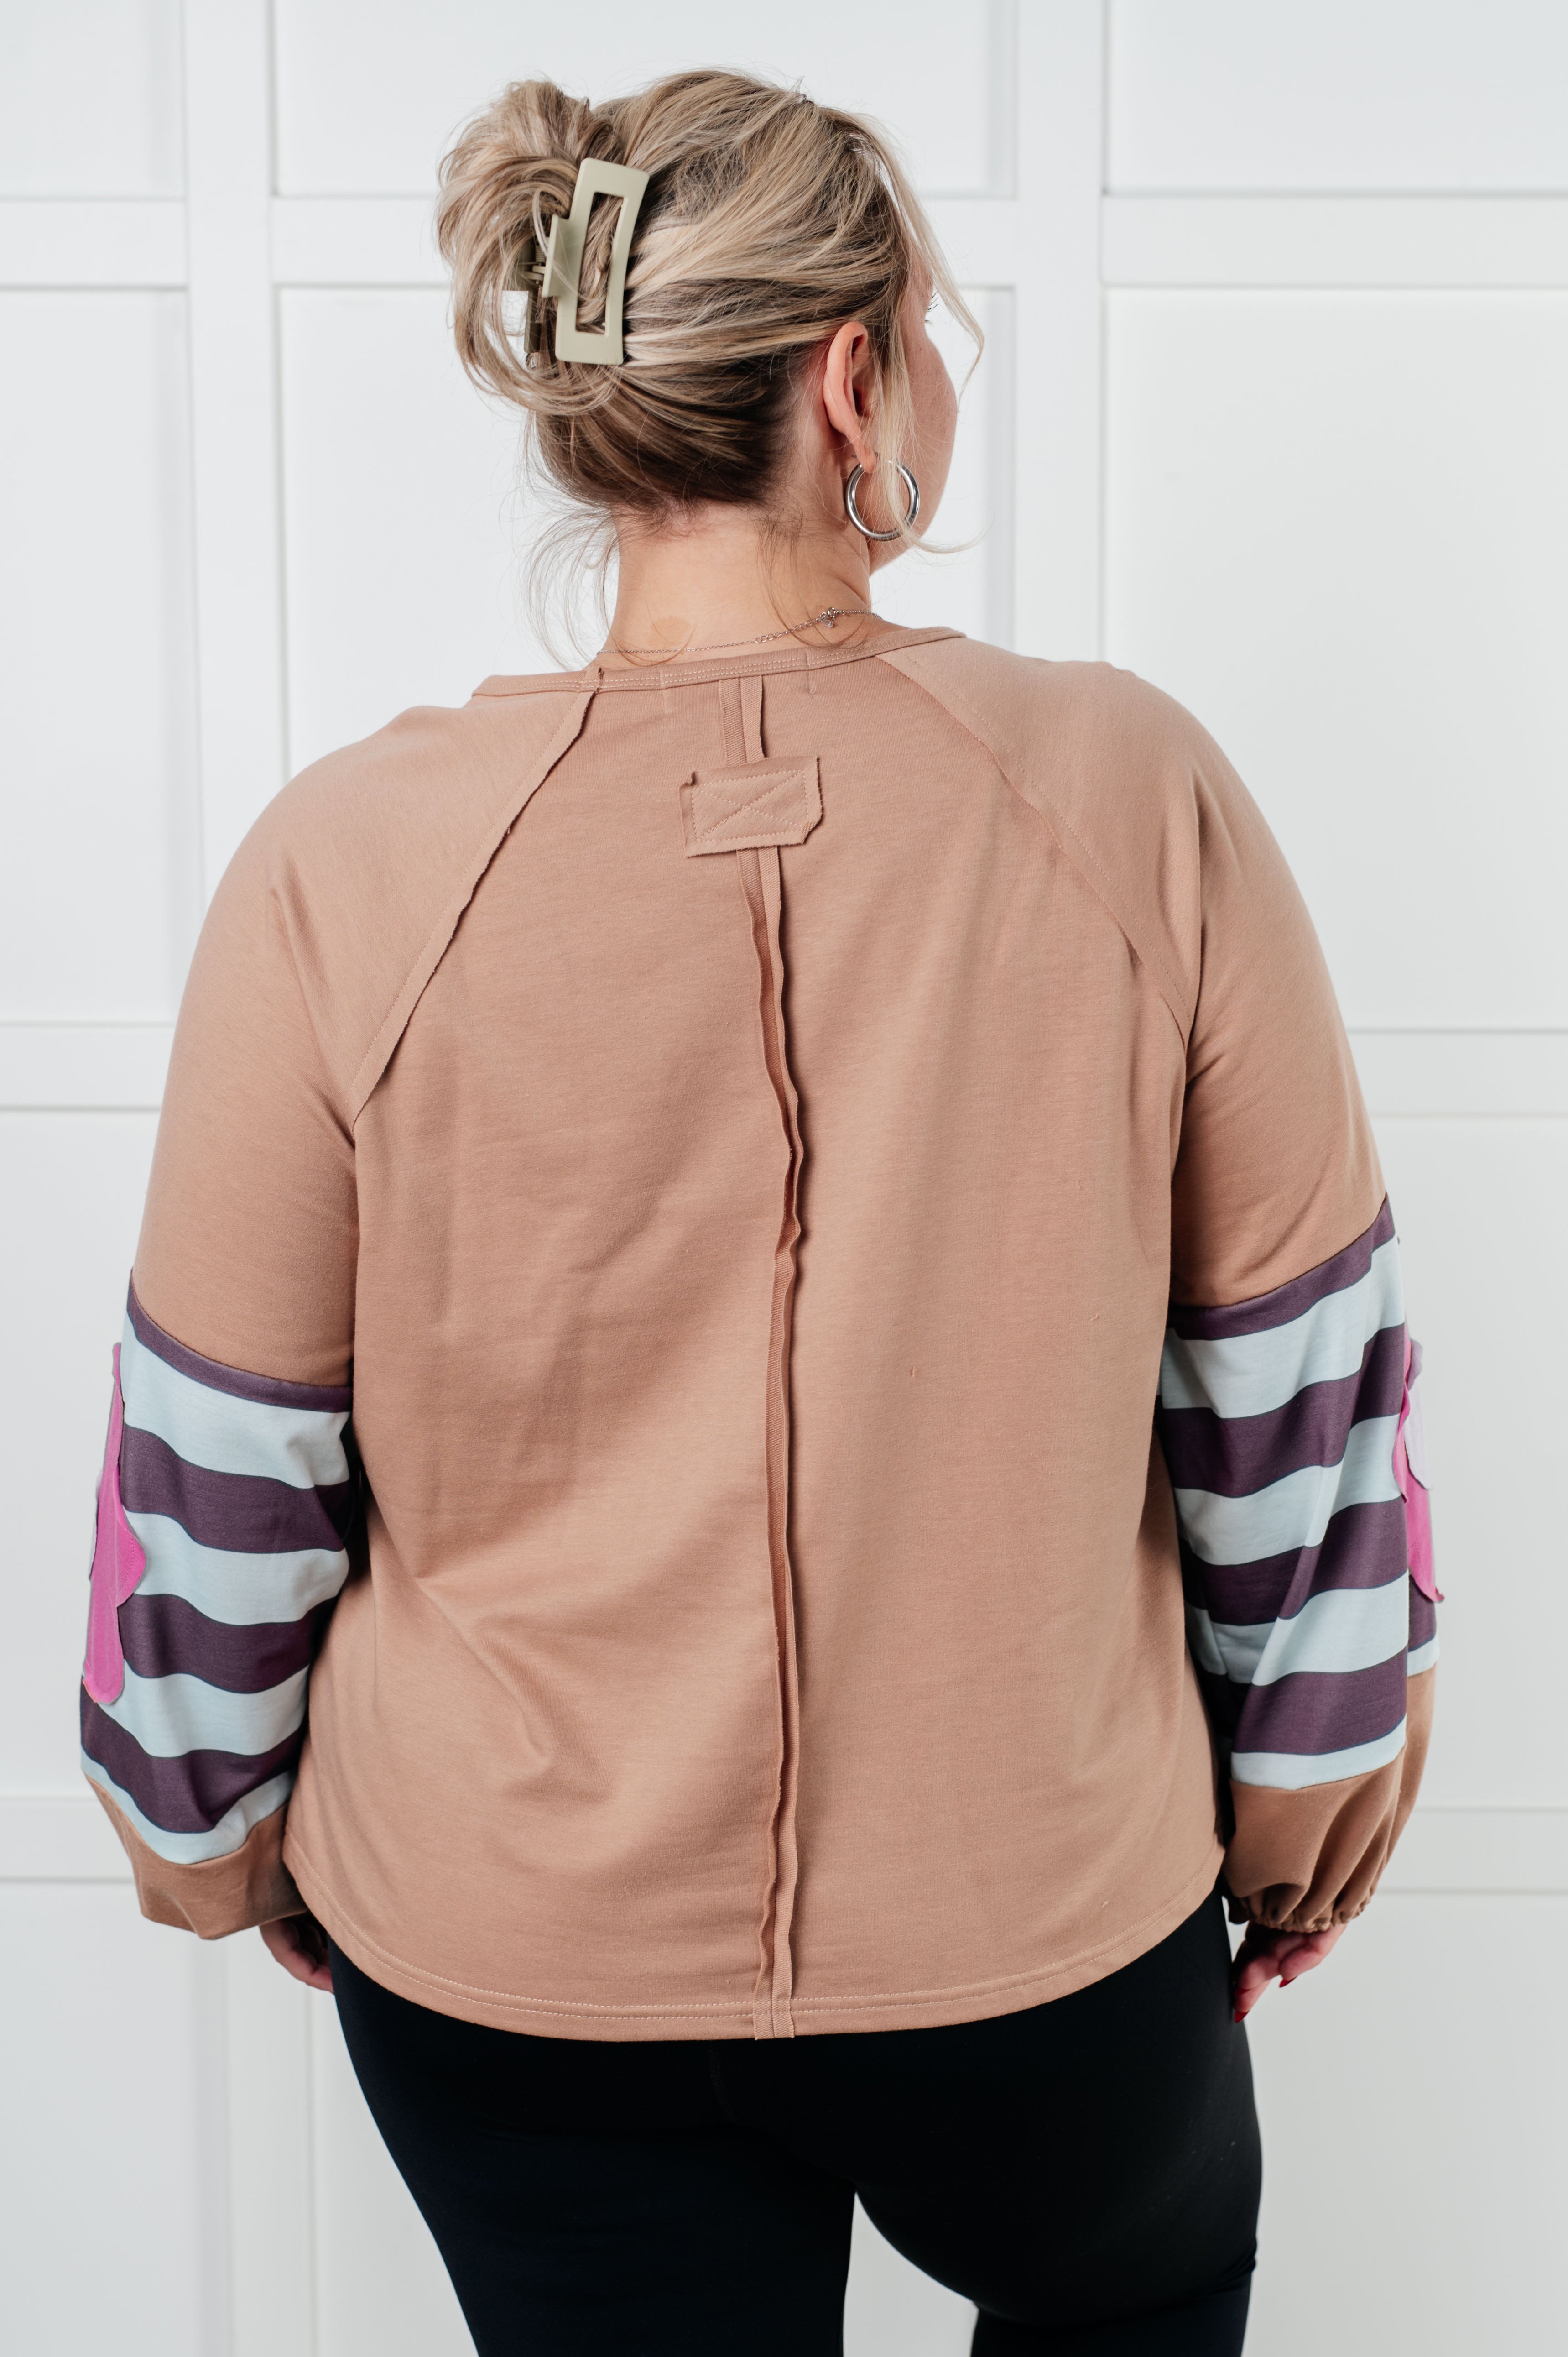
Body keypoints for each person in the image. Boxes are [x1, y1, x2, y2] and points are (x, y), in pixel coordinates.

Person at [78, 69, 1439, 2357]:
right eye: (928, 341)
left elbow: (219, 1454)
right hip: (1042, 1953)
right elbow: (1292, 1393)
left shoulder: (347, 862)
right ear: (847, 377)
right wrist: (1300, 1806)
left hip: (509, 1962)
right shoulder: (1127, 788)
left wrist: (207, 1833)